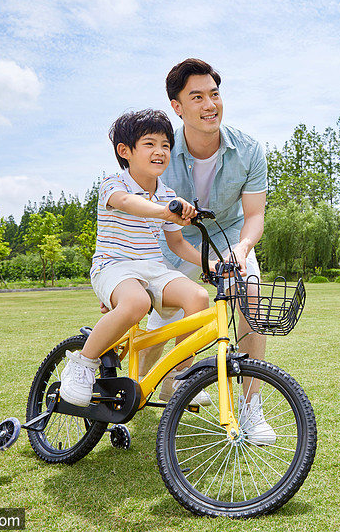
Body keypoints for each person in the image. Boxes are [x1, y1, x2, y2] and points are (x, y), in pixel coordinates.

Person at [140, 57, 274, 443]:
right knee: (163, 326)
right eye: (196, 97)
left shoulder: (249, 150)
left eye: (214, 94)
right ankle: (155, 387)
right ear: (177, 107)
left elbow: (253, 217)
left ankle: (251, 409)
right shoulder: (159, 154)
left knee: (248, 293)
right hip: (172, 240)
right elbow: (149, 218)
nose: (209, 104)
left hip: (228, 234)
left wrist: (242, 250)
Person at [59, 109, 211, 408]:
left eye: (166, 145)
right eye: (150, 144)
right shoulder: (114, 183)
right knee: (137, 303)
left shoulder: (166, 193)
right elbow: (129, 204)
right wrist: (166, 209)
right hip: (113, 267)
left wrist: (210, 265)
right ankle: (83, 363)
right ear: (125, 151)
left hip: (153, 269)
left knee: (198, 298)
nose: (160, 151)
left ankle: (178, 378)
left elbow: (177, 244)